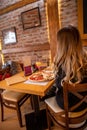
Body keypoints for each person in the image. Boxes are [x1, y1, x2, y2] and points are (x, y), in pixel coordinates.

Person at [41, 25, 87, 111]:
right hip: (84, 103)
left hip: (68, 105)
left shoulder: (61, 64)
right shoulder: (84, 59)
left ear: (61, 45)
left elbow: (59, 85)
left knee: (55, 91)